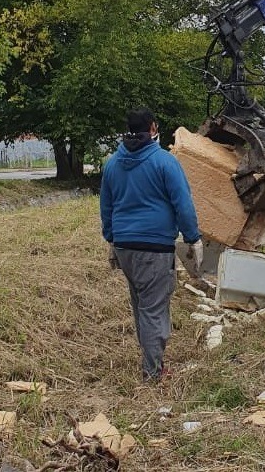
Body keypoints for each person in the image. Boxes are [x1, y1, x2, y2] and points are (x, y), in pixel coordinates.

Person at [100, 107, 204, 382]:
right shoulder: (164, 162)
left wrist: (111, 238)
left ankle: (151, 361)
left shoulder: (112, 163)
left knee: (141, 305)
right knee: (154, 309)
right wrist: (193, 238)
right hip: (154, 248)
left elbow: (107, 206)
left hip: (124, 247)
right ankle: (153, 372)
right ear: (154, 128)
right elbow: (183, 203)